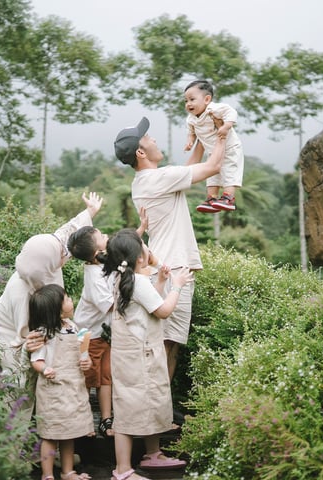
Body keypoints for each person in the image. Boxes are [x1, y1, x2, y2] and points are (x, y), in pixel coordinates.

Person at [114, 116, 226, 385]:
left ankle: (156, 406)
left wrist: (200, 134)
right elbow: (213, 166)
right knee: (167, 344)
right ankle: (155, 407)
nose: (153, 139)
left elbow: (187, 170)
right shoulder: (158, 179)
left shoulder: (147, 181)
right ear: (141, 152)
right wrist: (221, 135)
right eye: (147, 138)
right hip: (172, 268)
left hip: (163, 265)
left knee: (165, 342)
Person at [0, 192, 104, 421]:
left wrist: (90, 211)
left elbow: (68, 233)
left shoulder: (49, 249)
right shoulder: (23, 292)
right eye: (60, 255)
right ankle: (14, 448)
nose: (64, 257)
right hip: (10, 337)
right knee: (20, 390)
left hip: (38, 330)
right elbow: (26, 335)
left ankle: (39, 445)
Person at [102, 229, 193, 480]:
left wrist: (161, 283)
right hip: (138, 357)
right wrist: (176, 286)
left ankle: (153, 454)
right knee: (129, 410)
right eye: (144, 246)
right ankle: (122, 471)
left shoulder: (125, 278)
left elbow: (147, 304)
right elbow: (163, 311)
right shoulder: (137, 282)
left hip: (135, 355)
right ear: (139, 257)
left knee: (151, 399)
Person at [66, 210, 149, 439]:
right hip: (90, 337)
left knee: (105, 377)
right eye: (101, 234)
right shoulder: (93, 276)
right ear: (97, 251)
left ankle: (105, 419)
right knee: (88, 380)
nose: (106, 235)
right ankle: (81, 423)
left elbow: (123, 248)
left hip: (104, 336)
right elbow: (111, 305)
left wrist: (139, 231)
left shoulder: (103, 262)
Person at [28, 284, 94, 480]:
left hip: (72, 387)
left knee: (69, 432)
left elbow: (83, 353)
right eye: (66, 298)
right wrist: (45, 368)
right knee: (50, 434)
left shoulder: (72, 327)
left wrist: (86, 361)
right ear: (54, 308)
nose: (70, 300)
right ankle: (47, 474)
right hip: (53, 391)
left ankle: (68, 472)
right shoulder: (44, 334)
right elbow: (36, 360)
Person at [183, 79, 244, 213]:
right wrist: (190, 141)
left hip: (230, 148)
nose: (188, 104)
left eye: (192, 99)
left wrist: (226, 126)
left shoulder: (214, 109)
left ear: (207, 99)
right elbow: (191, 133)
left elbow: (232, 113)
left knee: (228, 170)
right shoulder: (191, 119)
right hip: (213, 151)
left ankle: (228, 197)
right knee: (211, 174)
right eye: (186, 101)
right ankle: (212, 198)